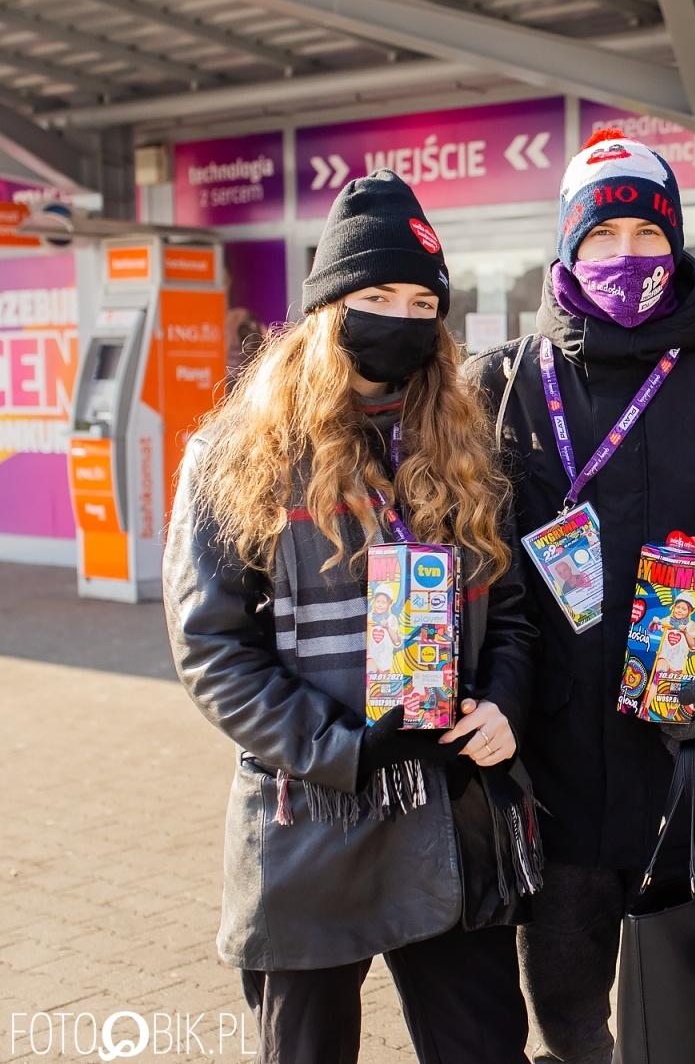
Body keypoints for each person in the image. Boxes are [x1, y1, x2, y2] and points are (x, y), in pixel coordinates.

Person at [465, 129, 695, 1064]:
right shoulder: (498, 388)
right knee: (569, 1023)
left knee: (689, 1030)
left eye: (647, 234)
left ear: (676, 241)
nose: (625, 255)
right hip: (546, 785)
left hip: (688, 779)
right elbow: (465, 571)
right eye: (601, 235)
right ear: (566, 245)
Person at [164, 170, 541, 1064]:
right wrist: (348, 750)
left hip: (447, 819)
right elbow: (211, 649)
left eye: (422, 302)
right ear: (327, 308)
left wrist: (505, 701)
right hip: (309, 824)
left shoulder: (465, 443)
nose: (402, 319)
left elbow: (513, 609)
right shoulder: (237, 453)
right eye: (377, 296)